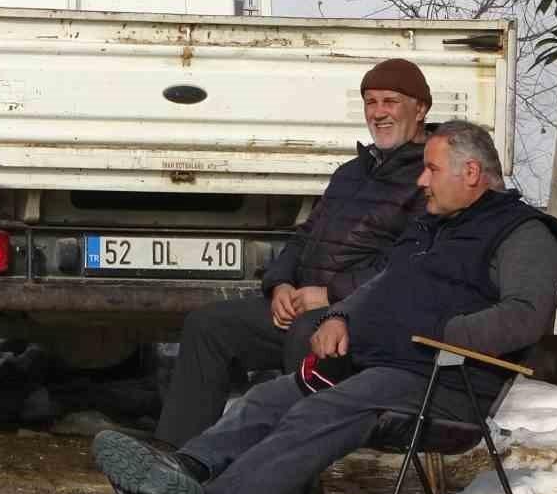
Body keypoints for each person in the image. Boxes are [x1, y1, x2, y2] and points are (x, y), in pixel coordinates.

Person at [94, 120, 557, 494]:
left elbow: (525, 317)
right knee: (270, 397)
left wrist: (438, 336)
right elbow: (382, 284)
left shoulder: (523, 234)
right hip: (383, 368)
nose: (421, 181)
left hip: (444, 386)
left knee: (324, 409)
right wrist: (340, 316)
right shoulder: (433, 225)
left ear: (471, 172)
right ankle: (186, 469)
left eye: (430, 169)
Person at [154, 58, 434, 447]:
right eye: (371, 102)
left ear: (420, 108)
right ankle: (180, 458)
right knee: (209, 325)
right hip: (303, 305)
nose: (379, 113)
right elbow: (304, 236)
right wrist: (280, 283)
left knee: (306, 333)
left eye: (391, 101)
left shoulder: (429, 176)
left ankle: (286, 482)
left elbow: (409, 263)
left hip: (360, 318)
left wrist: (332, 295)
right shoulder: (351, 172)